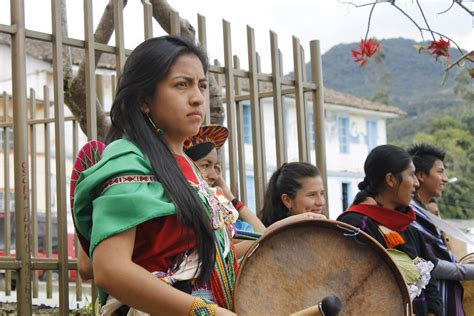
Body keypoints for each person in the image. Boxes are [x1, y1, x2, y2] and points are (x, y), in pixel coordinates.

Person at [73, 35, 240, 315]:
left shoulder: (185, 165)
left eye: (201, 85)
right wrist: (203, 311)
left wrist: (280, 235)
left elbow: (208, 256)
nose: (198, 97)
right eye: (181, 84)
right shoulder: (128, 159)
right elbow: (109, 270)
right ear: (144, 100)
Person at [337, 144, 443, 315]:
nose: (416, 183)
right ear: (391, 180)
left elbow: (430, 281)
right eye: (411, 175)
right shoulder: (356, 225)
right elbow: (357, 290)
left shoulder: (408, 227)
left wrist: (432, 312)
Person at [408, 143, 474, 316]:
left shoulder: (423, 214)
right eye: (440, 172)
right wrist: (466, 271)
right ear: (421, 175)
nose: (445, 178)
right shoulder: (411, 215)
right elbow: (430, 266)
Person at [184, 125, 266, 233]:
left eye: (216, 167)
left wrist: (228, 193)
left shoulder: (221, 211)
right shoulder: (187, 211)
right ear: (185, 165)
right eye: (205, 165)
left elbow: (263, 233)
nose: (215, 176)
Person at [259, 162, 326, 227]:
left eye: (322, 193)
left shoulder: (331, 232)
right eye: (312, 195)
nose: (321, 202)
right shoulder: (267, 236)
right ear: (287, 200)